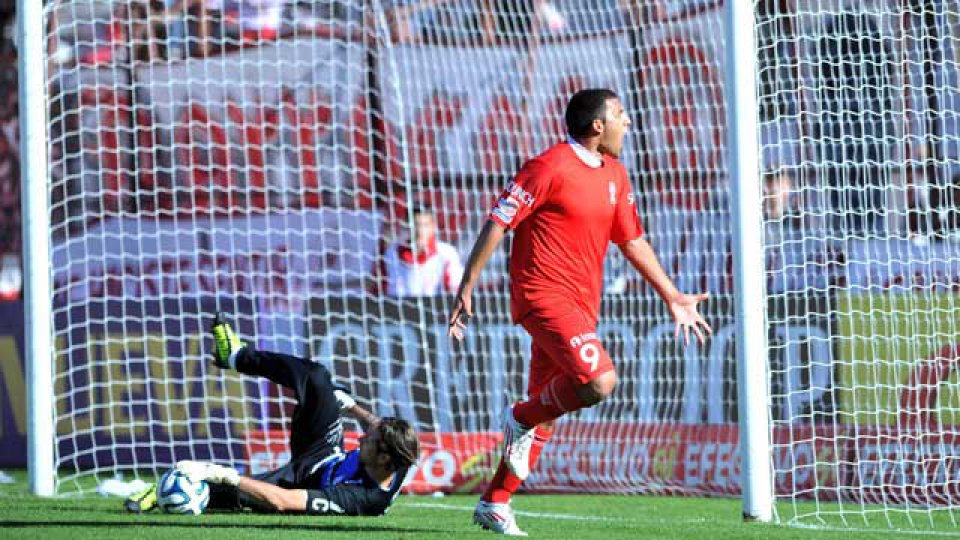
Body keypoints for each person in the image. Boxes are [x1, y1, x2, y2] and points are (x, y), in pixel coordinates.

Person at [448, 88, 712, 535]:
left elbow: (631, 240)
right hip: (542, 296)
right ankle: (519, 417)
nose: (627, 123)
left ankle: (495, 501)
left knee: (548, 409)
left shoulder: (616, 174)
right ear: (597, 126)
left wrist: (672, 294)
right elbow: (498, 220)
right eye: (621, 115)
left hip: (582, 305)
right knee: (598, 381)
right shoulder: (548, 166)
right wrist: (467, 284)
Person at [124, 312, 420, 516]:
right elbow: (381, 427)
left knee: (235, 494)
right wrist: (350, 405)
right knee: (318, 378)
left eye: (368, 441)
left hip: (303, 483)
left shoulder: (363, 499)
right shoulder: (399, 452)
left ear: (383, 458)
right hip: (325, 451)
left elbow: (283, 502)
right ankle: (237, 356)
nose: (360, 436)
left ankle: (162, 491)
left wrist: (221, 473)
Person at [374, 204, 464, 297]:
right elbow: (378, 291)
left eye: (425, 225)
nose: (420, 231)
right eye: (415, 225)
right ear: (407, 225)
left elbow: (455, 292)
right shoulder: (391, 254)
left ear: (433, 226)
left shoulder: (446, 254)